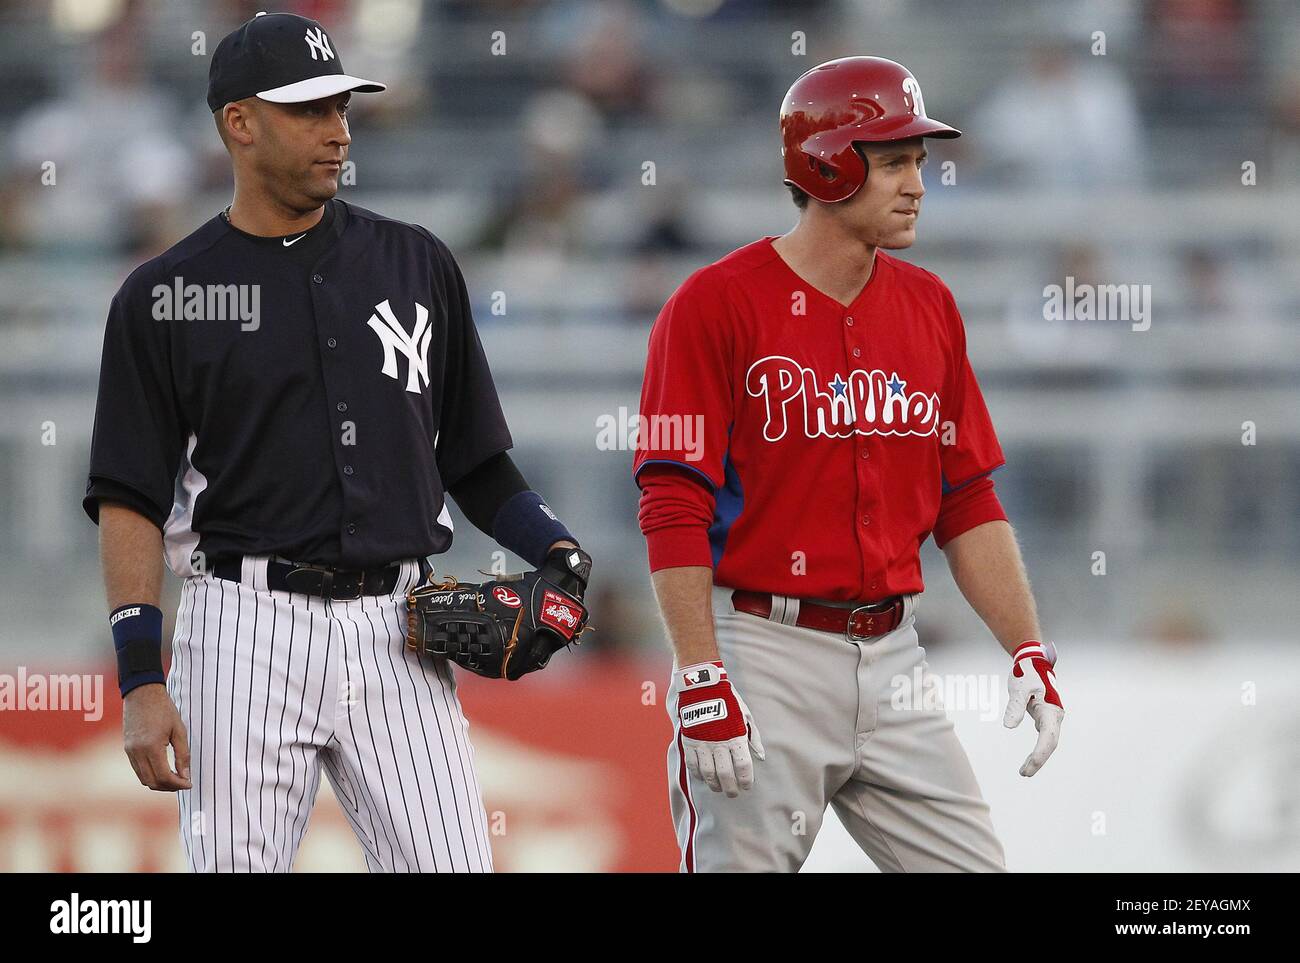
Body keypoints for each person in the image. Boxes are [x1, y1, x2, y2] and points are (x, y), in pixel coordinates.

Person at [84, 12, 590, 873]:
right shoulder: (165, 294)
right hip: (243, 625)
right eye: (310, 110)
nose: (338, 129)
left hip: (400, 626)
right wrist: (140, 676)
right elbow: (130, 494)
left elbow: (470, 457)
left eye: (342, 106)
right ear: (239, 123)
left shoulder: (416, 262)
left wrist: (557, 546)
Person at [633, 57, 1063, 873]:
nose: (918, 184)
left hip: (894, 652)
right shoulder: (713, 304)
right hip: (763, 647)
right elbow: (672, 499)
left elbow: (966, 497)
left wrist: (1026, 646)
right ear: (827, 163)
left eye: (919, 162)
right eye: (895, 160)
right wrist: (699, 672)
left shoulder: (928, 302)